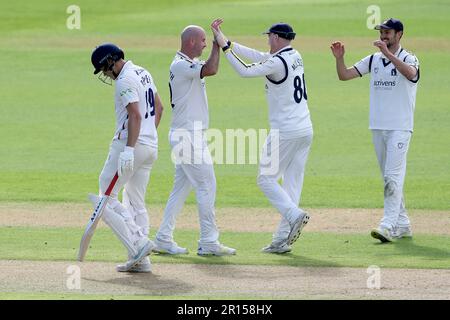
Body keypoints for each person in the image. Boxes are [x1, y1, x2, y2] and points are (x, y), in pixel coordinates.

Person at [211, 19, 312, 254]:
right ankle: (281, 240)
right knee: (291, 185)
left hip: (285, 131)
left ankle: (294, 214)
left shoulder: (276, 62)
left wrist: (225, 49)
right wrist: (225, 39)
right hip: (305, 129)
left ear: (276, 37)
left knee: (265, 179)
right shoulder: (295, 55)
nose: (267, 40)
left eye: (269, 37)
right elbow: (258, 55)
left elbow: (245, 70)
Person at [330, 18, 420, 242]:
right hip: (378, 126)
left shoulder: (409, 57)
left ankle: (387, 225)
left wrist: (388, 55)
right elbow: (345, 75)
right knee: (389, 178)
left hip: (400, 127)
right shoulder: (373, 60)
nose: (383, 36)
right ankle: (404, 224)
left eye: (388, 32)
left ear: (399, 34)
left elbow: (411, 74)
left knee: (392, 177)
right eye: (381, 32)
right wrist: (340, 60)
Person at [153, 25, 236, 256]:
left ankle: (162, 238)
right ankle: (209, 241)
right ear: (190, 42)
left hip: (187, 135)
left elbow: (209, 68)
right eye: (202, 40)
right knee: (207, 185)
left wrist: (216, 46)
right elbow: (212, 69)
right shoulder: (181, 65)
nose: (205, 44)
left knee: (180, 190)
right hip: (187, 137)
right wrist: (219, 45)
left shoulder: (185, 64)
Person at [90, 43, 163, 271]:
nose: (104, 74)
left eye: (103, 69)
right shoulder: (143, 72)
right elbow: (159, 108)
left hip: (129, 144)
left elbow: (134, 114)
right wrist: (146, 140)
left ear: (111, 62)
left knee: (106, 196)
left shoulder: (124, 80)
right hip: (150, 146)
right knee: (134, 201)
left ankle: (138, 243)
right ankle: (142, 262)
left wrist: (131, 148)